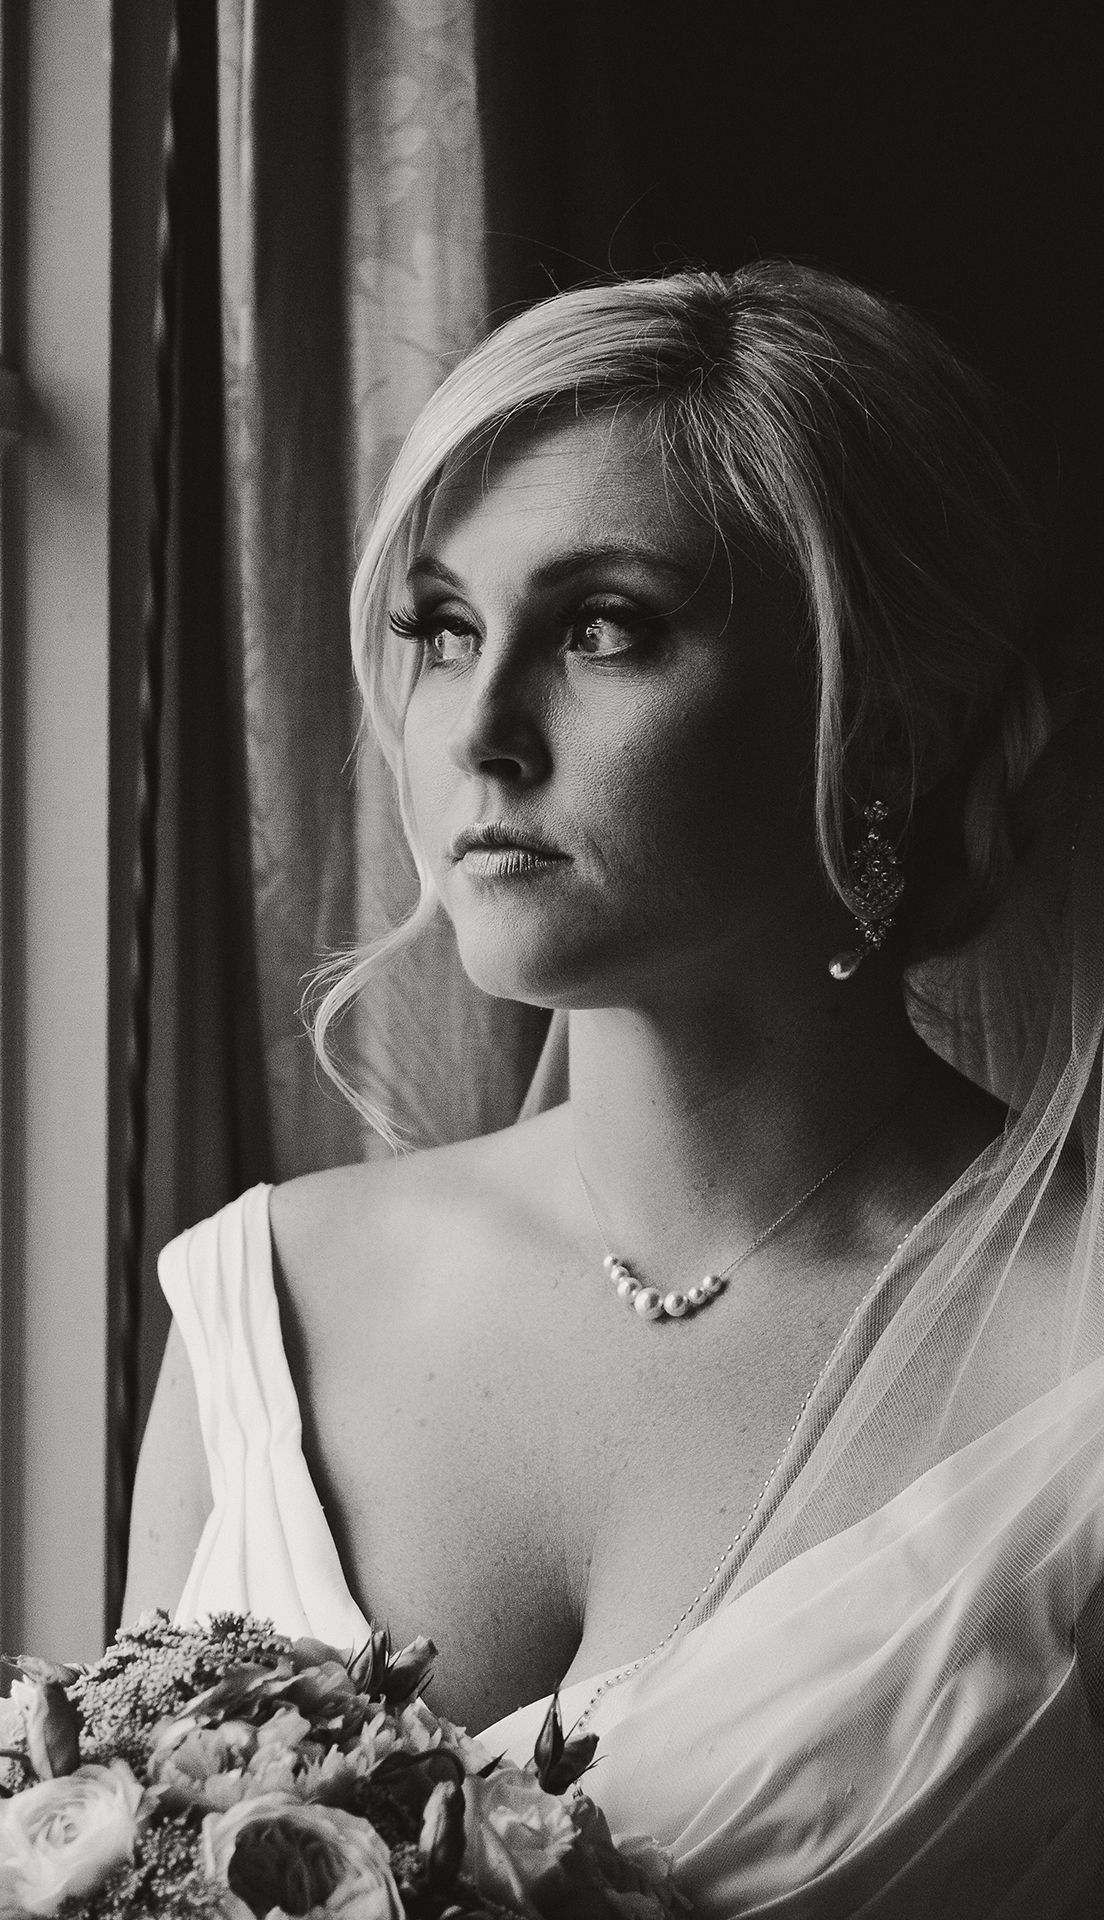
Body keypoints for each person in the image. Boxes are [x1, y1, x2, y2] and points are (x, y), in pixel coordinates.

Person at [123, 263, 1104, 1915]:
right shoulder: (271, 1296)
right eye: (443, 628)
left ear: (877, 722)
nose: (481, 733)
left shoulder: (1072, 1349)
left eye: (604, 628)